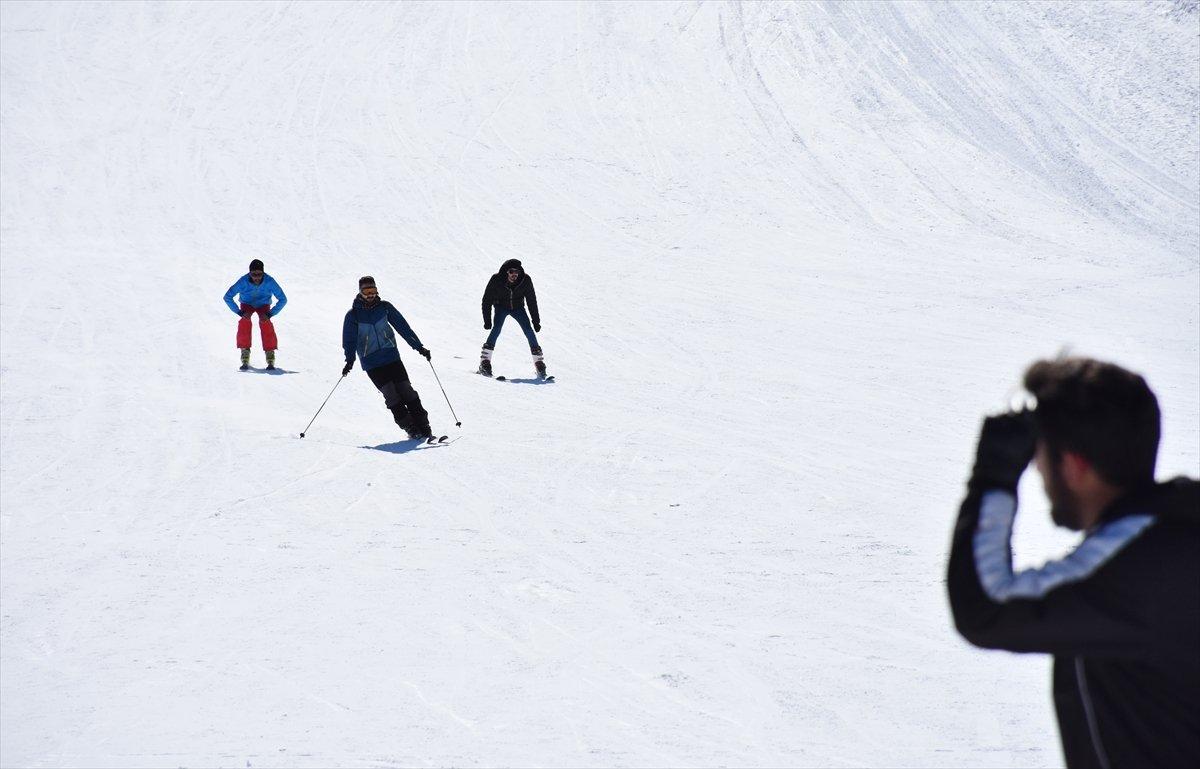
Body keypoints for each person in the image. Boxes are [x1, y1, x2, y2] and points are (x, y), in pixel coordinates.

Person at [947, 356, 1199, 768]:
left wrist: (993, 478)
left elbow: (986, 608)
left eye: (1040, 456)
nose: (1040, 472)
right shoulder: (1177, 533)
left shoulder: (1134, 569)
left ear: (1076, 466)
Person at [341, 276, 435, 439]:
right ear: (360, 292)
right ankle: (410, 426)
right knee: (391, 394)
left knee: (407, 390)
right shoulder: (353, 315)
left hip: (391, 356)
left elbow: (403, 327)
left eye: (373, 291)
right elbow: (349, 339)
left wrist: (419, 347)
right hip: (371, 362)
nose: (370, 294)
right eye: (367, 291)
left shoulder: (384, 307)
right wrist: (350, 360)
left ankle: (423, 425)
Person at [478, 258, 547, 379]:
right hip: (501, 306)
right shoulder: (496, 279)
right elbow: (487, 299)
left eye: (517, 272)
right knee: (497, 329)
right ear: (506, 272)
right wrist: (487, 320)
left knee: (529, 330)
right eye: (511, 271)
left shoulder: (525, 280)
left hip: (518, 308)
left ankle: (539, 363)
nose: (514, 274)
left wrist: (536, 321)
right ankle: (485, 362)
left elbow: (532, 300)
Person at [223, 258, 287, 370]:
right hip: (247, 304)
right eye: (254, 274)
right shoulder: (243, 281)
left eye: (259, 274)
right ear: (249, 273)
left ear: (263, 273)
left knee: (266, 323)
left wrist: (270, 314)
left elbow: (283, 299)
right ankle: (245, 351)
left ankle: (270, 353)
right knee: (244, 321)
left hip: (263, 304)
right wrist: (240, 312)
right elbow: (227, 296)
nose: (257, 277)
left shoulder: (269, 281)